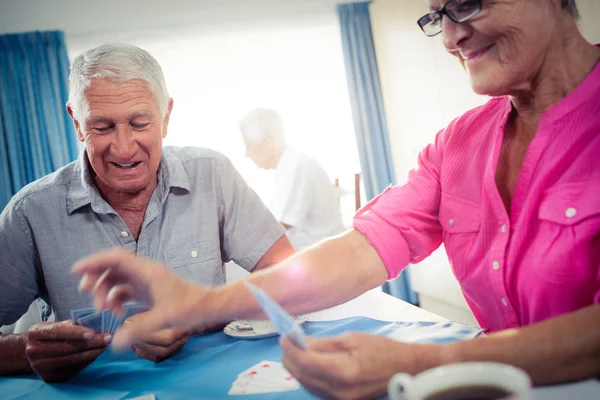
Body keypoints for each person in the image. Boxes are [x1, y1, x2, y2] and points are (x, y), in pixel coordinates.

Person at [74, 0, 600, 398]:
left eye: (466, 3)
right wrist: (202, 303)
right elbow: (360, 248)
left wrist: (423, 364)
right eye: (439, 15)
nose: (452, 38)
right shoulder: (459, 142)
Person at [0, 43, 294, 382]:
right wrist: (24, 350)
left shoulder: (213, 175)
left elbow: (288, 271)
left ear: (166, 116)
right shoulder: (29, 213)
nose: (124, 148)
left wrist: (199, 315)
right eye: (102, 127)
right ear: (77, 124)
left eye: (140, 123)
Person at [239, 108, 344, 250]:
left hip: (324, 257)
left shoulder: (296, 167)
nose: (247, 154)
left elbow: (274, 229)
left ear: (267, 142)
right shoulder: (288, 166)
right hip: (315, 253)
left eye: (248, 146)